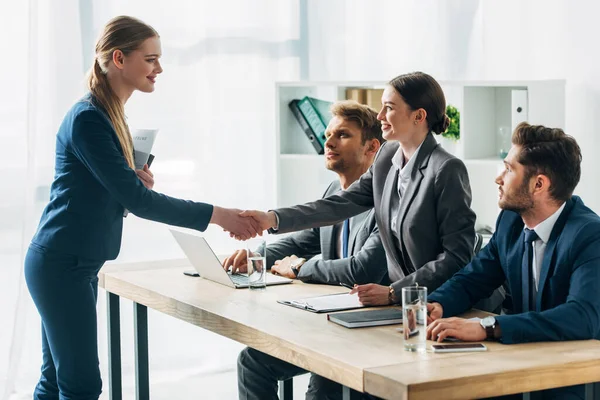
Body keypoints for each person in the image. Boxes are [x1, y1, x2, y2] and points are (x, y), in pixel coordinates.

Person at [24, 16, 258, 400]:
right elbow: (140, 203)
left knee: (58, 383)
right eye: (150, 59)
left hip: (71, 263)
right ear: (119, 58)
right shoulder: (89, 118)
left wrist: (129, 184)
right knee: (80, 386)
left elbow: (114, 197)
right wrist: (220, 214)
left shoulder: (108, 114)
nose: (159, 69)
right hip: (61, 265)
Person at [242, 71, 476, 306]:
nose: (381, 115)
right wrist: (272, 219)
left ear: (419, 116)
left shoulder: (446, 169)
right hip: (397, 306)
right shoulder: (386, 157)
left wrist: (395, 292)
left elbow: (456, 257)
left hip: (442, 305)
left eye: (389, 108)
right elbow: (339, 204)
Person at [426, 122, 600, 400]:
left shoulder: (588, 234)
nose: (498, 178)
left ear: (539, 184)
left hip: (572, 381)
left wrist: (489, 327)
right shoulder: (511, 222)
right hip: (519, 368)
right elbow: (474, 277)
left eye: (508, 169)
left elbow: (583, 317)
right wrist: (437, 304)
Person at [234, 101, 388, 400]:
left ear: (372, 147)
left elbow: (362, 269)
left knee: (321, 394)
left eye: (342, 135)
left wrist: (300, 269)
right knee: (252, 362)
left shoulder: (386, 201)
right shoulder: (333, 191)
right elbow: (301, 242)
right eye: (328, 134)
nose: (328, 142)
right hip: (329, 320)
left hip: (368, 327)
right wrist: (254, 258)